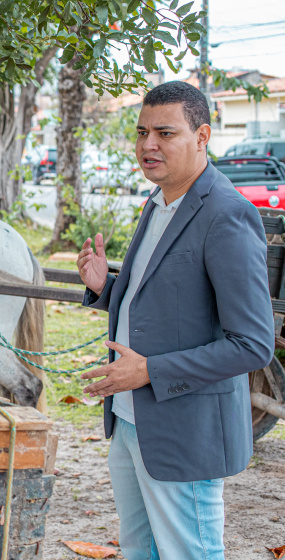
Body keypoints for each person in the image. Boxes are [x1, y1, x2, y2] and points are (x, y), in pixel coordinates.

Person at [76, 81, 274, 560]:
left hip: (184, 429)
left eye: (165, 133)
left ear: (202, 136)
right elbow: (167, 298)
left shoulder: (226, 215)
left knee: (190, 552)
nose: (148, 145)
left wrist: (149, 371)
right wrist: (107, 288)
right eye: (142, 132)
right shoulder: (160, 200)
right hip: (131, 420)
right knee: (138, 549)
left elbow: (252, 344)